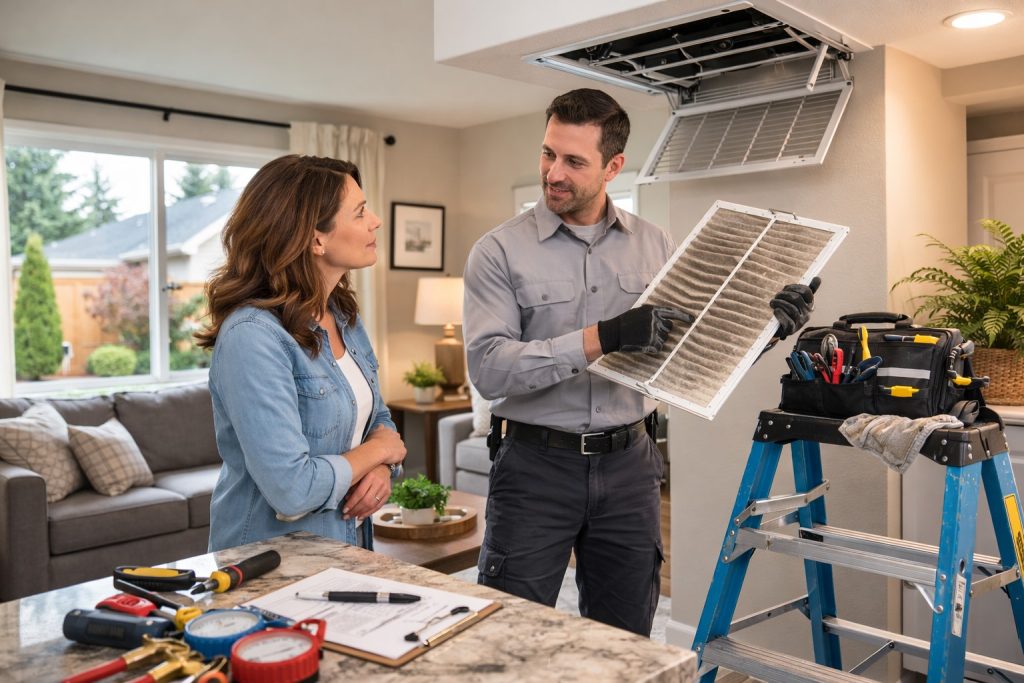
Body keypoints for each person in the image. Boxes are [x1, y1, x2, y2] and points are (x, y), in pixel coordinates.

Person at [463, 88, 815, 636]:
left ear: (614, 167)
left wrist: (767, 334)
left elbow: (691, 357)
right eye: (548, 153)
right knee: (510, 633)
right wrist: (601, 337)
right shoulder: (497, 251)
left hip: (630, 467)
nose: (554, 172)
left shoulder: (657, 245)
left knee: (627, 635)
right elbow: (488, 369)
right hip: (533, 470)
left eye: (574, 161)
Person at [197, 154, 406, 552]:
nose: (375, 221)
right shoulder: (252, 337)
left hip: (346, 549)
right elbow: (292, 489)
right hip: (270, 562)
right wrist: (381, 450)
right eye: (360, 213)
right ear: (315, 238)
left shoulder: (343, 315)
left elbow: (377, 417)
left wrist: (382, 466)